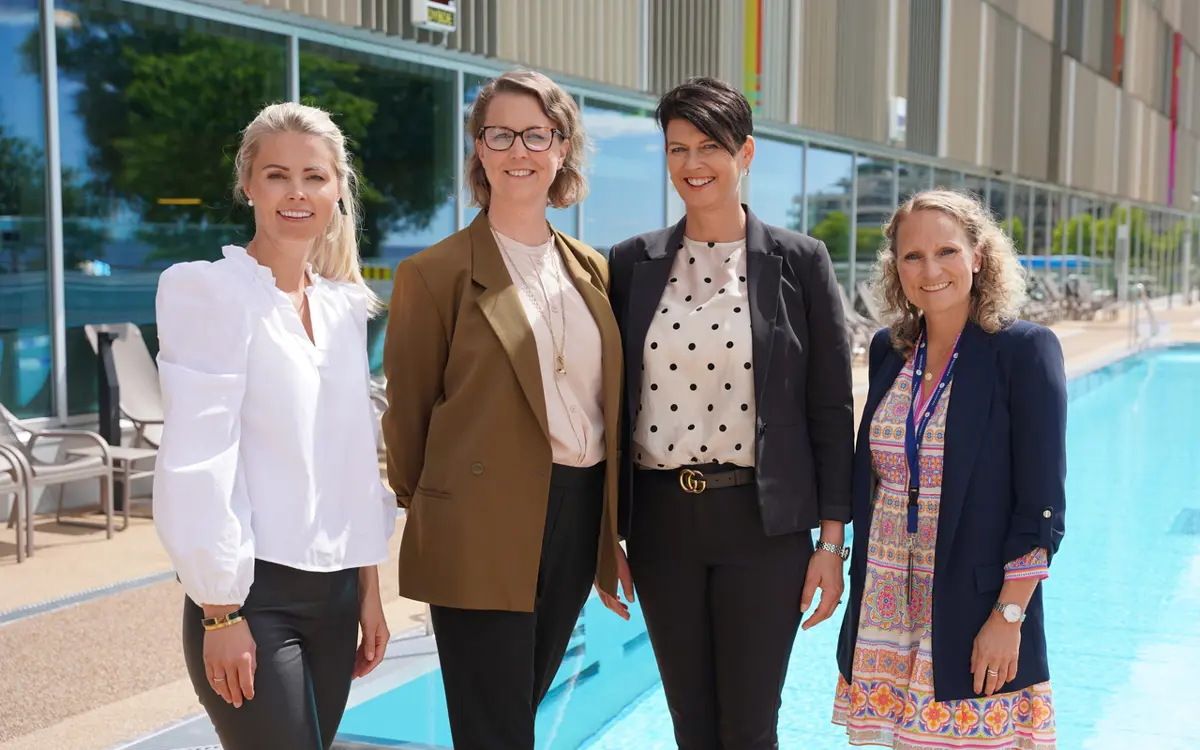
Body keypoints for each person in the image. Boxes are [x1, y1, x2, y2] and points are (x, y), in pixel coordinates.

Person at [604, 76, 855, 749]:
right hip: (661, 525)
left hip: (763, 528)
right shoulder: (630, 264)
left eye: (709, 146)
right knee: (691, 722)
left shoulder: (801, 262)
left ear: (745, 154)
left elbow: (831, 409)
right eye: (677, 148)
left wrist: (832, 546)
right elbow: (605, 407)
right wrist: (607, 534)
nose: (692, 164)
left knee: (749, 726)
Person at [380, 69, 627, 750]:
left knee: (519, 704)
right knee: (494, 726)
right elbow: (408, 414)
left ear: (561, 149)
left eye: (536, 134)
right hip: (479, 520)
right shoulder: (433, 275)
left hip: (575, 516)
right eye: (501, 134)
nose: (519, 150)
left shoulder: (594, 270)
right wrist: (431, 504)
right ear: (480, 151)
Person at [152, 102, 395, 750]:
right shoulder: (208, 292)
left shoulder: (345, 308)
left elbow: (353, 465)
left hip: (339, 597)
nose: (297, 192)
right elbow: (198, 460)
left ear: (338, 187)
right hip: (254, 599)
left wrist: (370, 594)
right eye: (277, 174)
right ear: (248, 184)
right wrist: (220, 610)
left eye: (314, 176)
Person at [833, 189, 1066, 749]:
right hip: (887, 605)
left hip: (972, 606)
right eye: (912, 256)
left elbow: (1041, 503)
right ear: (895, 267)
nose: (930, 269)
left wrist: (1008, 616)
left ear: (979, 256)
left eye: (946, 251)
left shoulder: (1023, 351)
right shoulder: (891, 350)